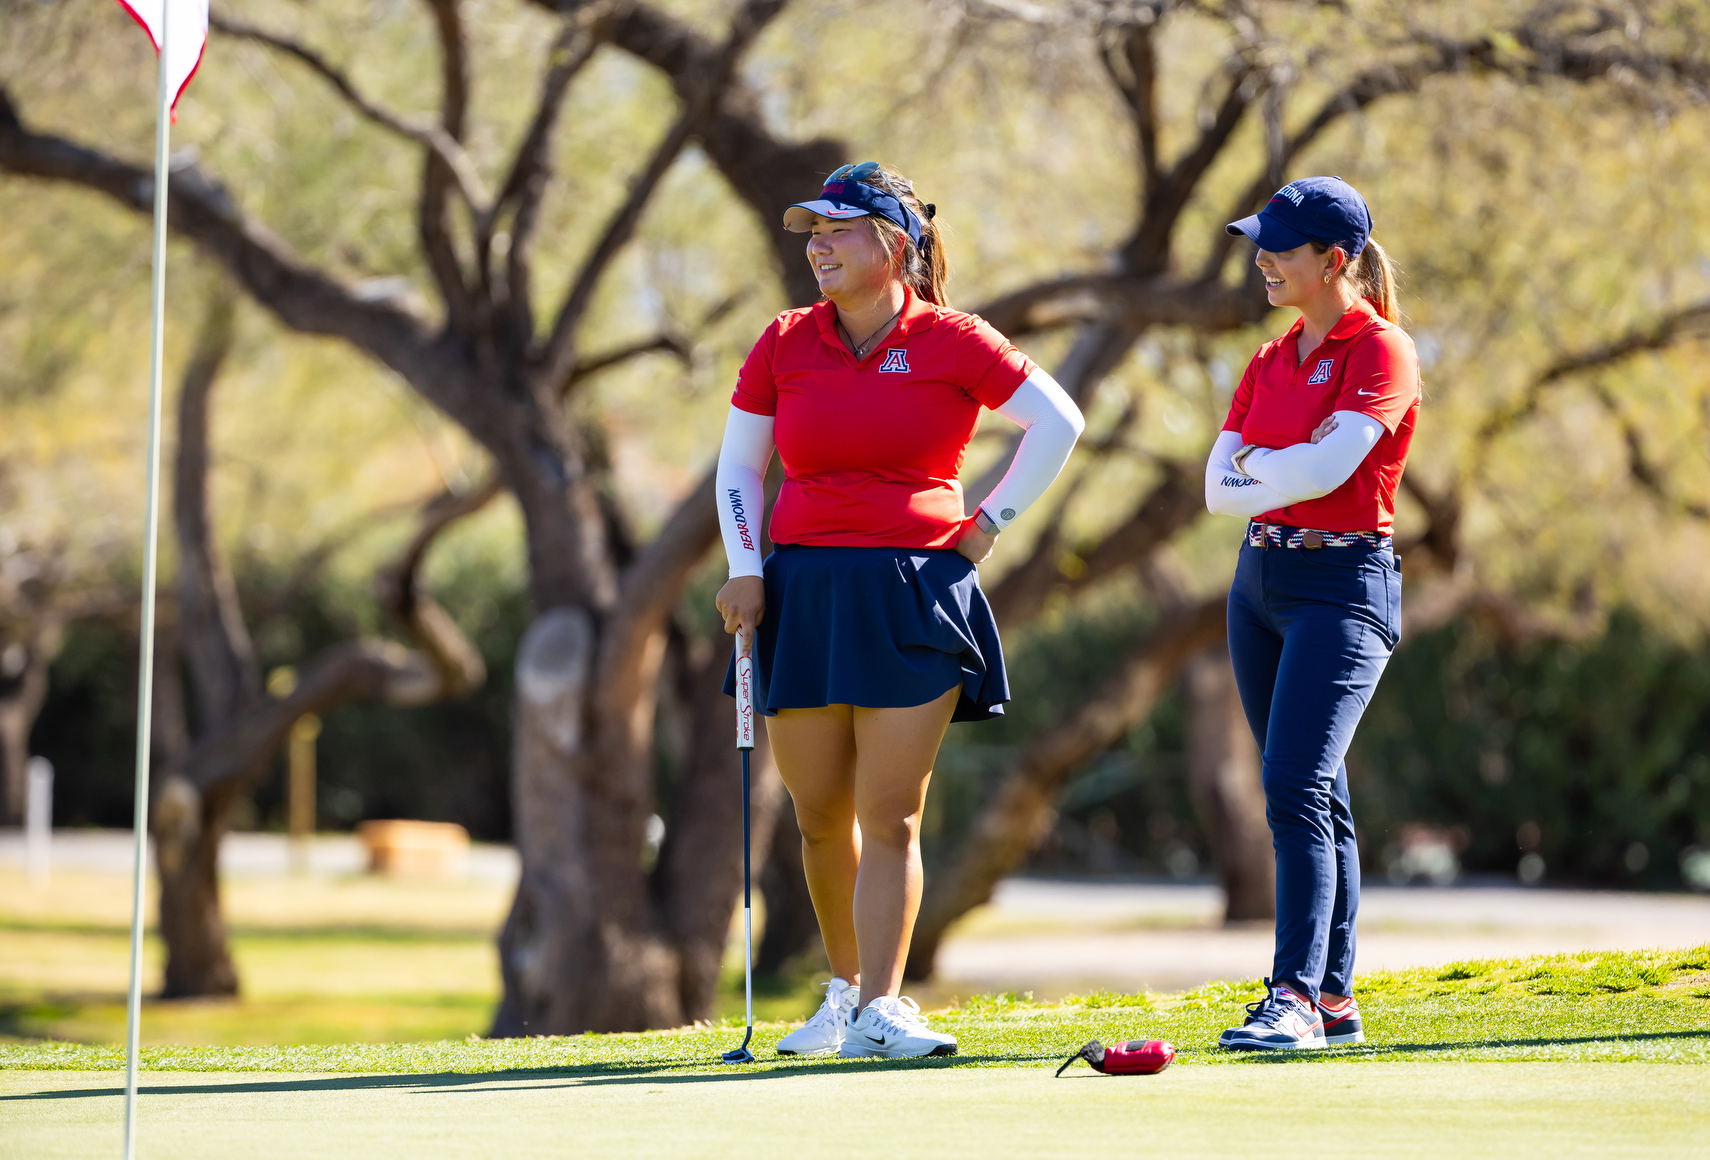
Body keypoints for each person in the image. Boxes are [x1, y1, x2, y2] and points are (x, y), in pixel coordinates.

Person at [714, 162, 1083, 1059]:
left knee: (891, 812)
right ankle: (843, 995)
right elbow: (739, 470)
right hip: (801, 589)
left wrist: (989, 523)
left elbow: (1060, 421)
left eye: (838, 230)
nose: (818, 246)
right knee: (815, 813)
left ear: (895, 244)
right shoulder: (783, 341)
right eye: (812, 232)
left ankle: (884, 1004)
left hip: (914, 587)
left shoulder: (954, 339)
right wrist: (744, 565)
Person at [1205, 176, 1419, 1050]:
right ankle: (1332, 1000)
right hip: (1258, 585)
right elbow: (1220, 489)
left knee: (1293, 784)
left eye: (1280, 249)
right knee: (1313, 791)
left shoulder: (1384, 351)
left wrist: (1270, 462)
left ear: (1335, 261)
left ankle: (1290, 994)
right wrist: (1275, 464)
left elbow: (1326, 476)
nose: (1261, 260)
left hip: (1343, 590)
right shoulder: (1269, 357)